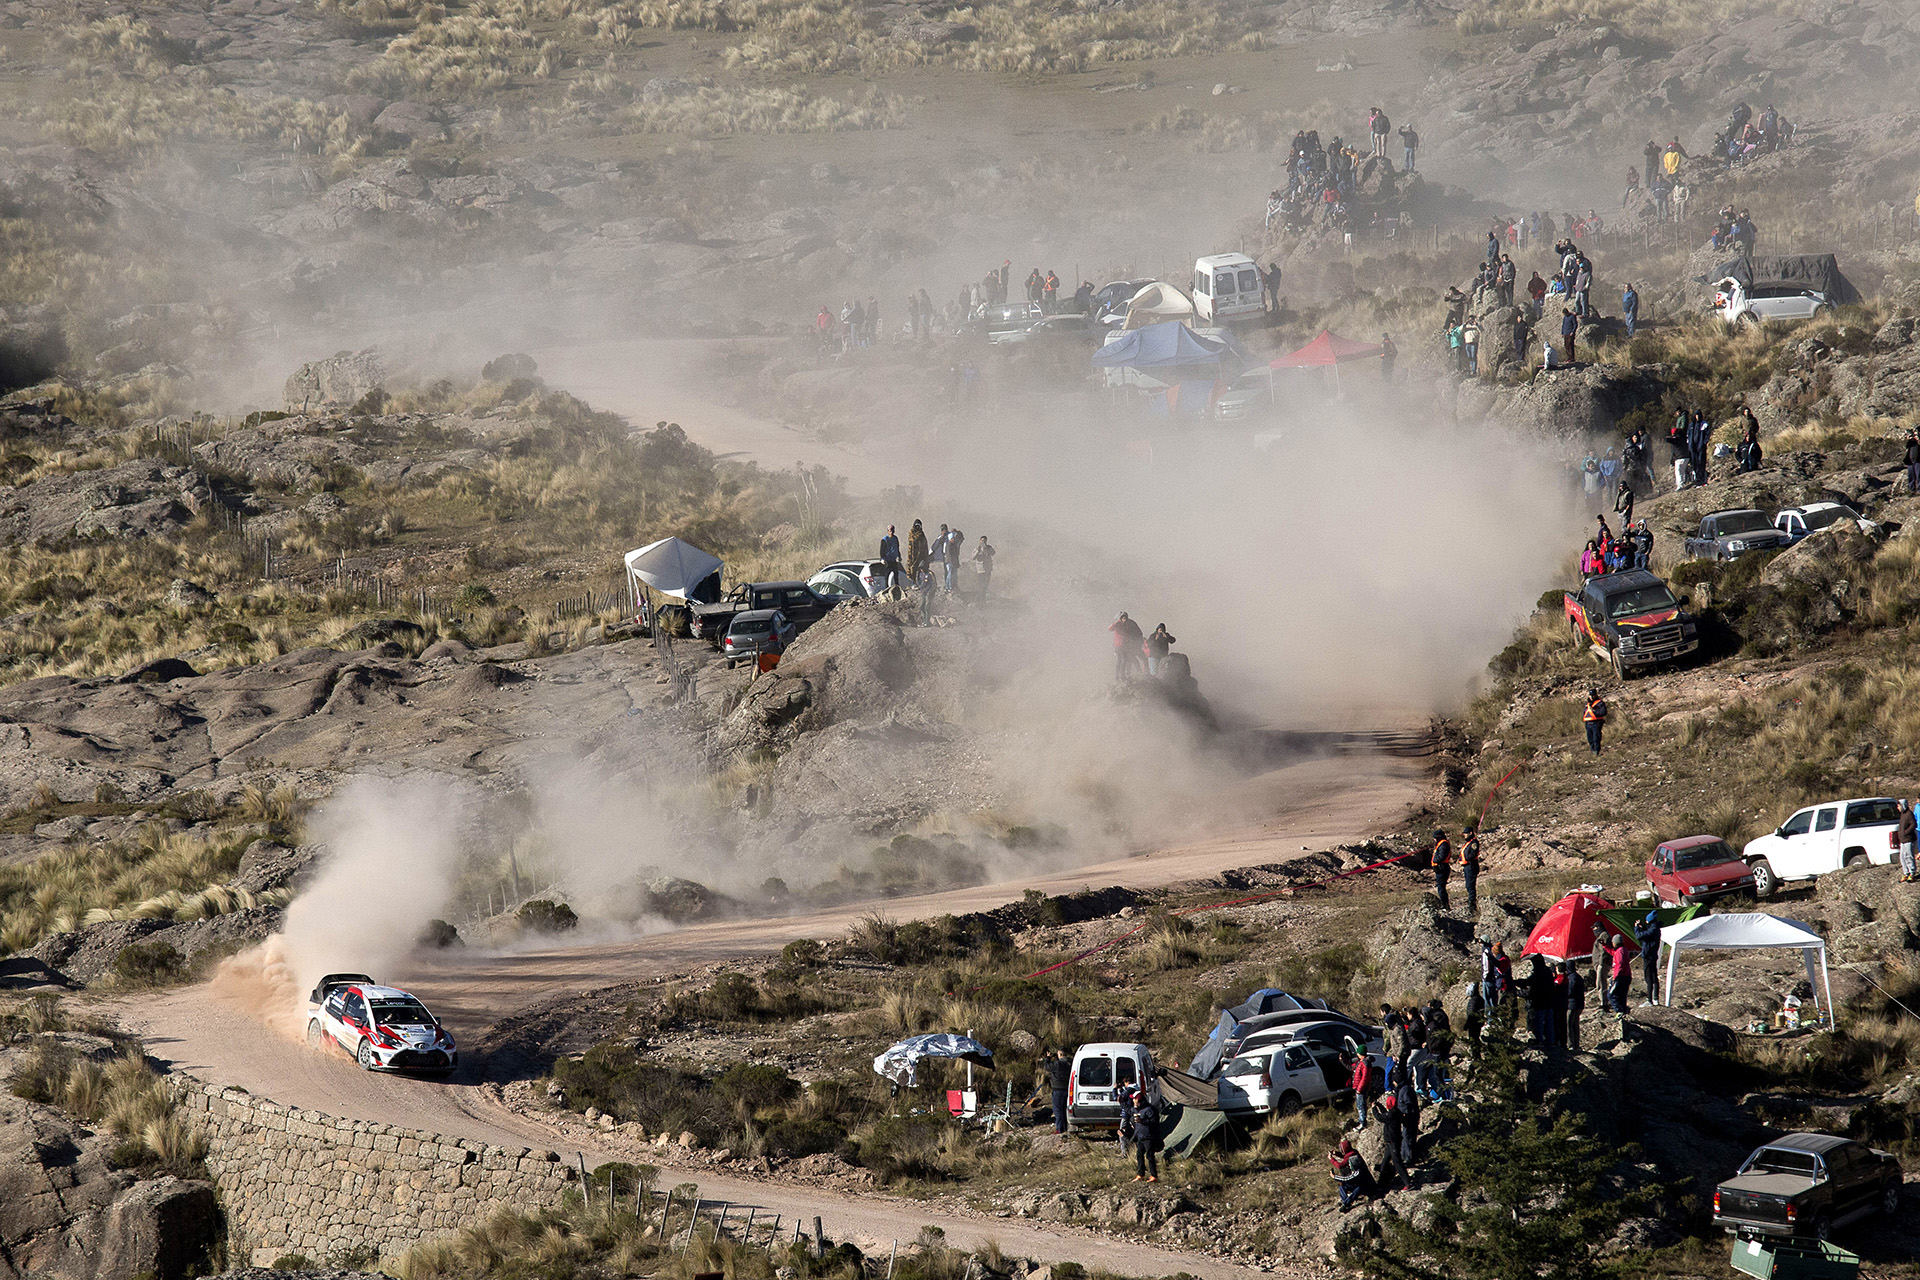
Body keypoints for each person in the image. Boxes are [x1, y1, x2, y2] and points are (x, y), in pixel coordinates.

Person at [1329, 1138, 1372, 1212]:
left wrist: (1334, 1176)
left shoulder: (1358, 1171)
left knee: (1359, 1188)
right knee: (1342, 1186)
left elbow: (1347, 1177)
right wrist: (1337, 1154)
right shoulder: (1354, 1153)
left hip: (1366, 1187)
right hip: (1358, 1183)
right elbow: (1346, 1156)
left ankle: (1346, 1204)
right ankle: (1346, 1202)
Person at [1526, 956, 1557, 1049]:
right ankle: (1550, 1041)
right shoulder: (1547, 971)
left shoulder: (1537, 973)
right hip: (1549, 1001)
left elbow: (1530, 983)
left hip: (1539, 1002)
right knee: (1549, 1023)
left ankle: (1540, 1041)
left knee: (1539, 1023)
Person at [1634, 912, 1662, 1006]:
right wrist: (1642, 928)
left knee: (1649, 978)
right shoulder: (1655, 928)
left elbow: (1640, 936)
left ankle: (1650, 999)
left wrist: (1637, 928)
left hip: (1648, 956)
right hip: (1652, 956)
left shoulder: (1653, 929)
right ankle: (1655, 998)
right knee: (1654, 977)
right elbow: (1647, 935)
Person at [1601, 932, 1633, 1013]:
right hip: (1626, 976)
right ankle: (1624, 1011)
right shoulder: (1622, 950)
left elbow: (1619, 964)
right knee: (1621, 996)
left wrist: (1615, 976)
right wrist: (1604, 946)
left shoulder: (1620, 951)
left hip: (1620, 977)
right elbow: (1612, 952)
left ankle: (1619, 1011)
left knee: (1611, 995)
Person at [1129, 1091, 1157, 1181]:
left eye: (1134, 1099)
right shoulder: (1136, 1109)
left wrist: (1142, 1121)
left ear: (1138, 1099)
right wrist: (1133, 1122)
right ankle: (1140, 1174)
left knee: (1150, 1156)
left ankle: (1154, 1175)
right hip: (1140, 1136)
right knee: (1139, 1155)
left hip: (1149, 1136)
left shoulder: (1149, 1109)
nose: (1133, 1100)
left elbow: (1154, 1121)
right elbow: (1131, 1116)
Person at [1109, 612, 1144, 680]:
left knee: (1126, 659)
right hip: (1118, 645)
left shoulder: (1128, 624)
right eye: (1123, 618)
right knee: (1121, 660)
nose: (1125, 619)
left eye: (1125, 618)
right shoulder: (1118, 624)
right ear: (1121, 618)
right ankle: (1119, 676)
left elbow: (1135, 632)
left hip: (1125, 645)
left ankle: (1123, 675)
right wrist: (1114, 623)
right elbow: (1110, 629)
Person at [1045, 1050, 1070, 1133]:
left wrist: (1048, 1058)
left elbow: (1047, 1067)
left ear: (1061, 1054)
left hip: (1057, 1090)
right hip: (1067, 1089)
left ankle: (1059, 1129)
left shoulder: (1058, 1064)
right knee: (1064, 1110)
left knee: (1057, 1110)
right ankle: (1065, 1128)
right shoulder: (1069, 1063)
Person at [1563, 959, 1586, 1051]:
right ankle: (1576, 1044)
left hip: (1572, 1005)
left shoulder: (1571, 978)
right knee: (1575, 1025)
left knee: (1569, 1025)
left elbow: (1570, 991)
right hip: (1579, 1004)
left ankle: (1571, 1044)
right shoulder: (1578, 977)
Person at [1428, 827, 1452, 911]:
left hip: (1442, 868)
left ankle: (1445, 905)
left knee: (1441, 888)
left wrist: (1435, 860)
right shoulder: (1440, 844)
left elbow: (1442, 856)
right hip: (1440, 869)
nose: (1434, 839)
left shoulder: (1443, 844)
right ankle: (1444, 904)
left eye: (1435, 837)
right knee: (1440, 887)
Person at [879, 524, 904, 597]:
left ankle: (897, 587)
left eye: (892, 530)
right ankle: (886, 588)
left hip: (894, 559)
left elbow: (897, 548)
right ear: (887, 531)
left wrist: (899, 556)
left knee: (896, 573)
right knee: (887, 574)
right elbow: (882, 550)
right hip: (887, 559)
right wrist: (882, 558)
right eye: (890, 530)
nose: (891, 532)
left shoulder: (895, 538)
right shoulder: (884, 539)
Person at [1461, 826, 1480, 914]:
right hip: (1467, 866)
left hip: (1471, 866)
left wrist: (1467, 858)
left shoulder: (1474, 842)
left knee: (1471, 885)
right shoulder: (1468, 843)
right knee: (1468, 886)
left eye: (1465, 834)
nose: (1464, 835)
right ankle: (1471, 903)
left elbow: (1472, 854)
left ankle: (1472, 906)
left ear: (1470, 833)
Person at [1583, 687, 1607, 755]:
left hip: (1596, 723)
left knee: (1596, 738)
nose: (1592, 697)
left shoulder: (1600, 703)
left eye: (1593, 695)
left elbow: (1603, 712)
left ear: (1596, 695)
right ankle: (1592, 750)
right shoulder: (1587, 704)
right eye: (1590, 695)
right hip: (1588, 724)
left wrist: (1594, 711)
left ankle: (1596, 752)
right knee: (1590, 739)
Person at [1898, 799, 1916, 883]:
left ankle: (1912, 873)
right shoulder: (1902, 815)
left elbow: (1913, 824)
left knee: (1909, 856)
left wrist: (1906, 832)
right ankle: (1906, 873)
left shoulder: (1909, 814)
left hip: (1909, 839)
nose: (1897, 808)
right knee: (1902, 857)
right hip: (1902, 840)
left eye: (1899, 806)